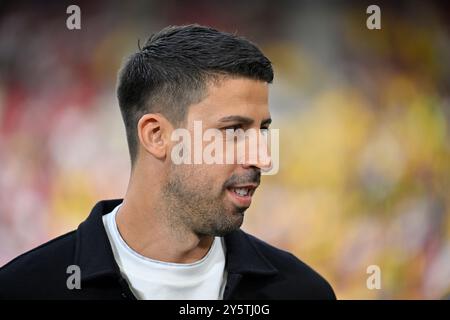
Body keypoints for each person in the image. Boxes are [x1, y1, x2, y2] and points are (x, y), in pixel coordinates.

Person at [0, 24, 336, 300]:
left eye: (262, 130)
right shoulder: (24, 290)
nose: (262, 157)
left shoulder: (302, 292)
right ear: (157, 136)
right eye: (233, 131)